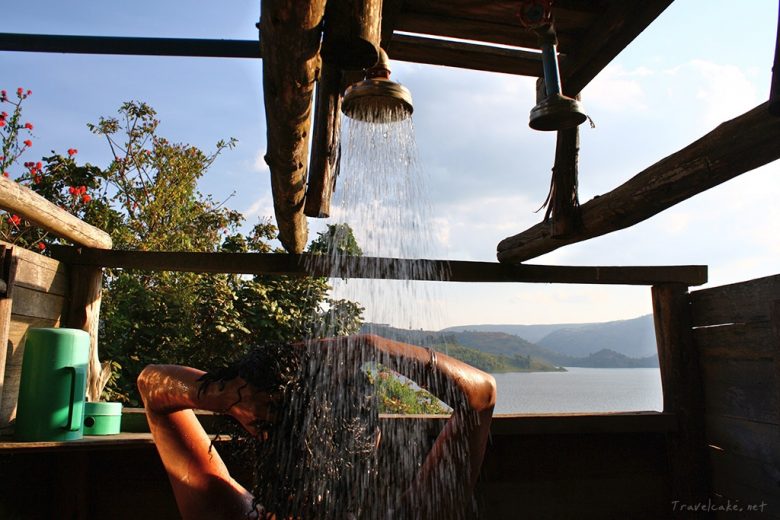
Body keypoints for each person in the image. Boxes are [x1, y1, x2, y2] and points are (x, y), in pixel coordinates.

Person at [137, 334, 496, 520]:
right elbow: (480, 393)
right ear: (372, 442)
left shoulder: (226, 512)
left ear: (260, 439)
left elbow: (152, 385)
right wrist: (367, 346)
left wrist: (226, 390)